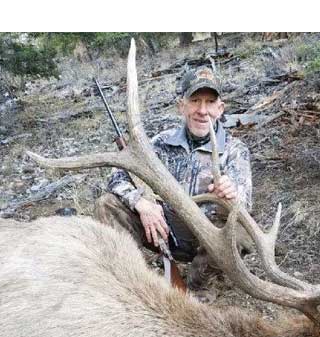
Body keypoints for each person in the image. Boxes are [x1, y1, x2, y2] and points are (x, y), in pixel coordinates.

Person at [94, 66, 252, 291]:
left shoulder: (235, 150)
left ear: (220, 108)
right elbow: (117, 176)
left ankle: (201, 288)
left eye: (209, 102)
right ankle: (132, 281)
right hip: (163, 230)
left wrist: (231, 195)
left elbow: (245, 204)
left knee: (239, 227)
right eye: (195, 101)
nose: (202, 110)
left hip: (209, 239)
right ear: (181, 106)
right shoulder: (161, 143)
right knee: (108, 204)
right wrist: (141, 203)